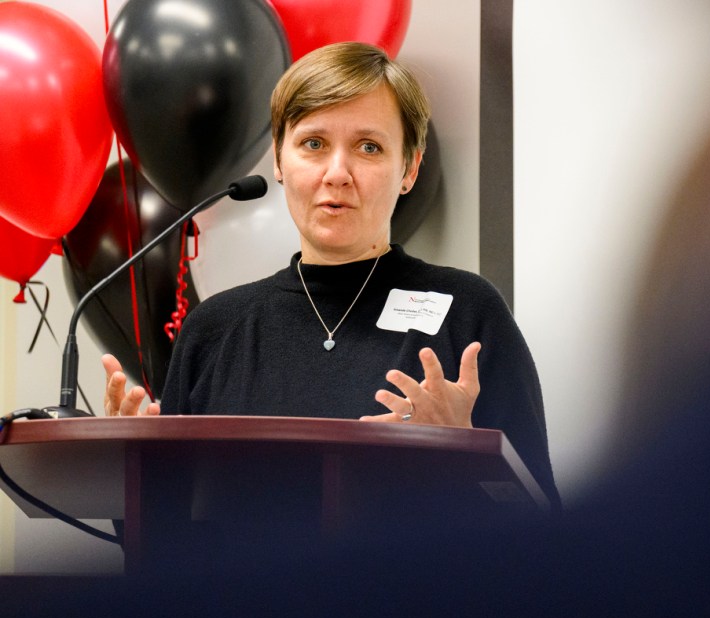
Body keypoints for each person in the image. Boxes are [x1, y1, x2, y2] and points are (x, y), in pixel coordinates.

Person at [99, 42, 557, 505]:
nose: (337, 173)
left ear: (410, 169)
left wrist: (469, 454)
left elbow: (544, 533)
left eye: (369, 147)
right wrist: (127, 471)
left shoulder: (467, 312)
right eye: (313, 144)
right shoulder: (213, 329)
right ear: (279, 160)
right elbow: (164, 542)